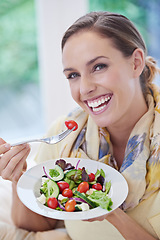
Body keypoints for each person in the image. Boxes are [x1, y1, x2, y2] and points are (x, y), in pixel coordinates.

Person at [0, 11, 160, 240]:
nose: (84, 88)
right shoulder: (64, 135)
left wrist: (110, 211)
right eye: (73, 75)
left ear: (136, 63)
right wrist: (21, 178)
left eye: (98, 67)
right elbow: (39, 223)